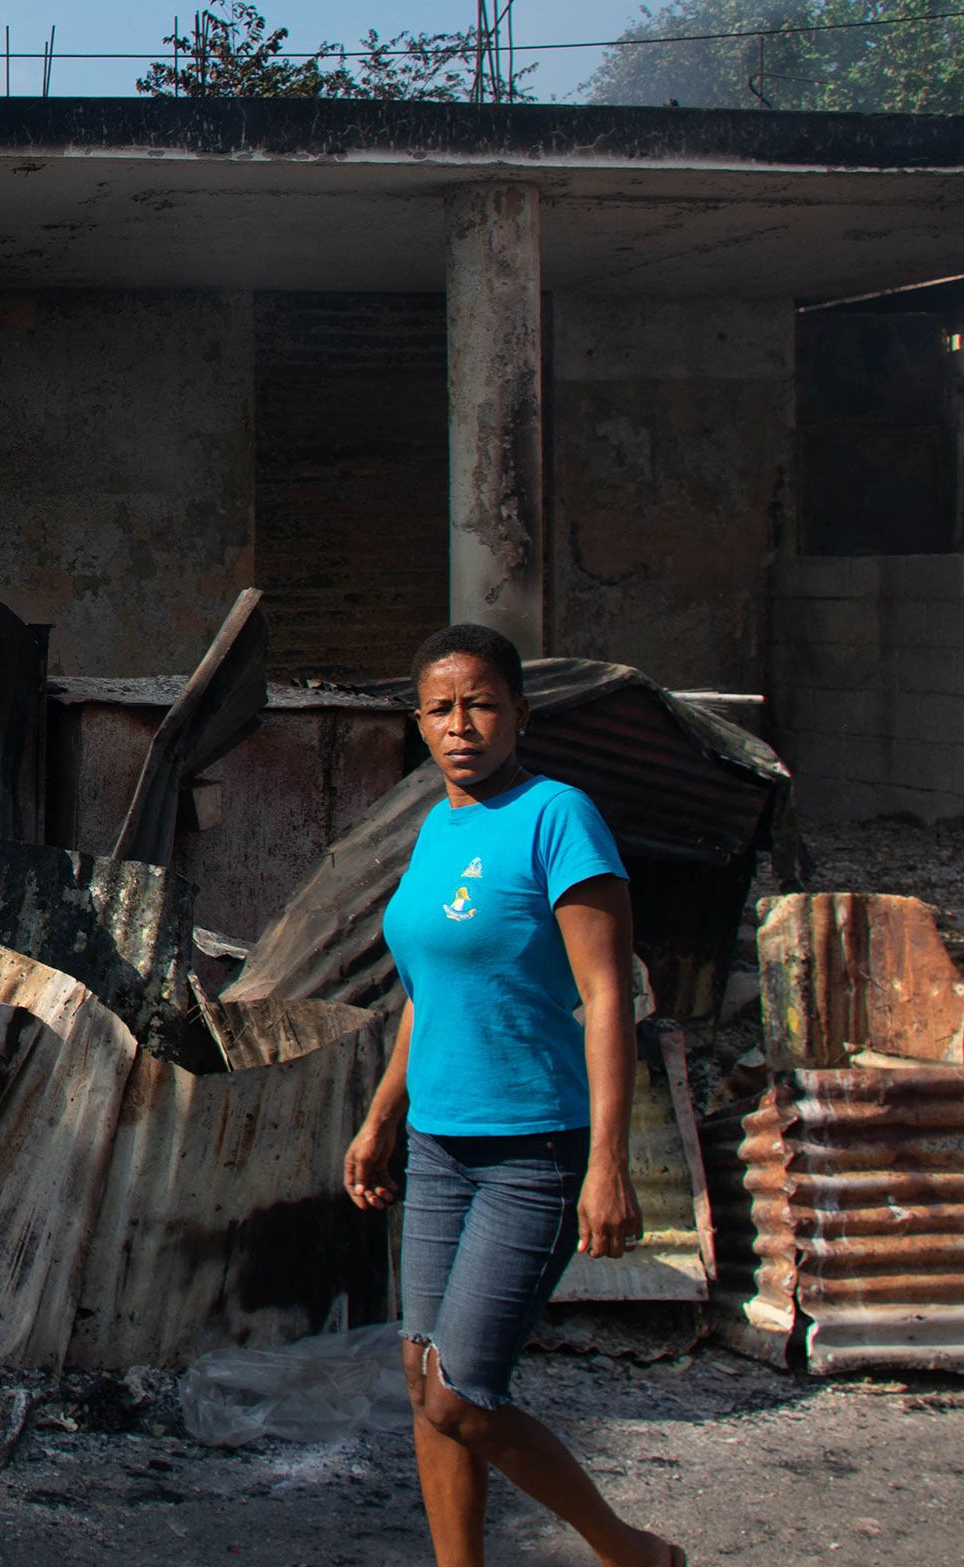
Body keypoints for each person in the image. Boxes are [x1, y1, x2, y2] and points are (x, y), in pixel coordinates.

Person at [344, 624, 683, 1567]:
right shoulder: (435, 826)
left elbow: (609, 996)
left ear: (519, 714)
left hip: (531, 1148)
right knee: (423, 1381)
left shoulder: (558, 818)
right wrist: (382, 1118)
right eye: (441, 708)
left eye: (482, 703)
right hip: (439, 1148)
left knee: (462, 1392)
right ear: (419, 723)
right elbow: (427, 994)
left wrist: (607, 1165)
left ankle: (631, 1553)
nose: (462, 725)